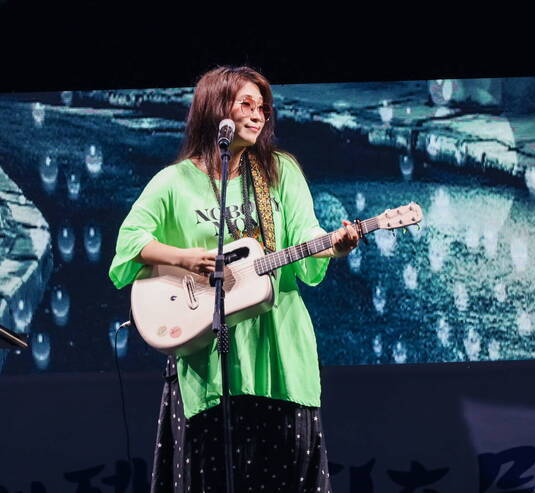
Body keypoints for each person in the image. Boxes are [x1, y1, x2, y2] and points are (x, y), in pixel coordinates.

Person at [109, 66, 359, 493]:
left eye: (262, 107)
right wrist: (186, 258)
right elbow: (130, 244)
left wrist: (334, 245)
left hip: (278, 356)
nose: (258, 114)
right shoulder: (174, 182)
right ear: (216, 108)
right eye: (246, 104)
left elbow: (306, 236)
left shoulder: (280, 172)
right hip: (208, 356)